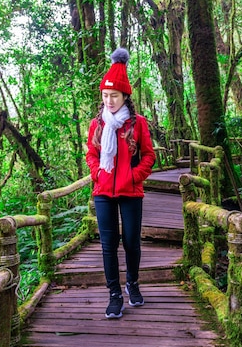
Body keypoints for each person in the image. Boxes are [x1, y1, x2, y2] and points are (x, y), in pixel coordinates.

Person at [86, 47, 156, 319]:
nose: (109, 101)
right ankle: (114, 294)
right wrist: (98, 173)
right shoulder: (97, 124)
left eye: (114, 96)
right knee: (108, 243)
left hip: (131, 192)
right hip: (103, 191)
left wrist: (134, 176)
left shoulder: (138, 124)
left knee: (131, 241)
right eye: (105, 96)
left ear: (125, 96)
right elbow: (92, 155)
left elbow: (149, 155)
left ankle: (133, 283)